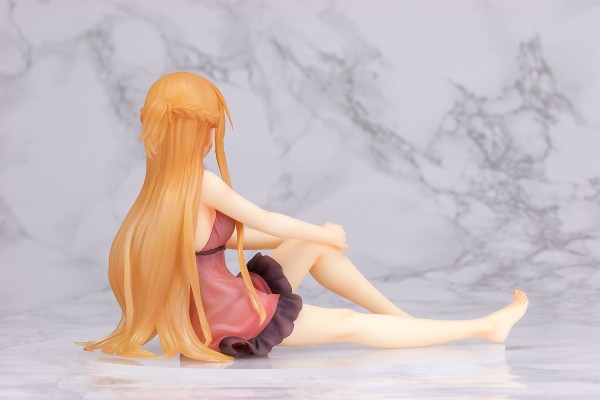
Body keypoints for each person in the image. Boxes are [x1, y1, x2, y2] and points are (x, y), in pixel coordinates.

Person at [75, 72, 528, 362]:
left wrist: (310, 239)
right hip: (228, 320)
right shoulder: (202, 183)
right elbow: (266, 219)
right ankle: (485, 328)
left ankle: (406, 322)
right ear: (196, 132)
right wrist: (322, 231)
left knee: (315, 246)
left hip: (214, 308)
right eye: (209, 127)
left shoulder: (160, 193)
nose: (213, 136)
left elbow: (210, 243)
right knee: (349, 325)